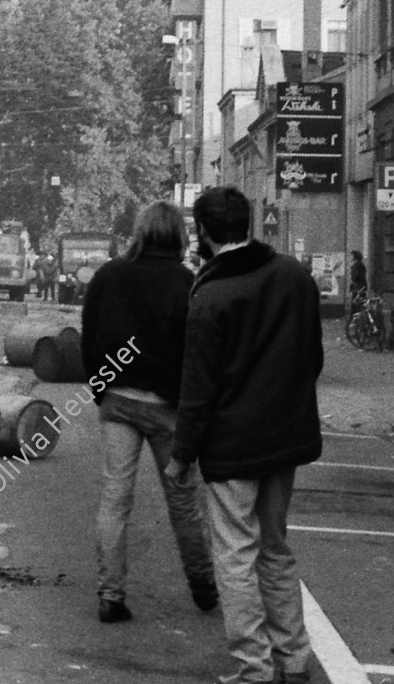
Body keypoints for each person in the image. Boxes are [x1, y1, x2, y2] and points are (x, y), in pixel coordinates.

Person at [168, 186, 323, 684]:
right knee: (275, 546)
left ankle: (253, 668)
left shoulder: (210, 294)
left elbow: (198, 388)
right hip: (284, 438)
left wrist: (181, 456)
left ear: (204, 233)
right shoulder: (295, 277)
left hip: (231, 445)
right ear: (249, 224)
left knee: (235, 555)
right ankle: (294, 659)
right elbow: (312, 357)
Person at [80, 202, 215, 625]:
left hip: (118, 400)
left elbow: (89, 334)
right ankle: (203, 587)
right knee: (182, 501)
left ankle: (111, 595)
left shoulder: (109, 275)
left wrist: (100, 387)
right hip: (166, 408)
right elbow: (195, 352)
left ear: (140, 231)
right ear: (178, 235)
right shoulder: (187, 283)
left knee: (115, 499)